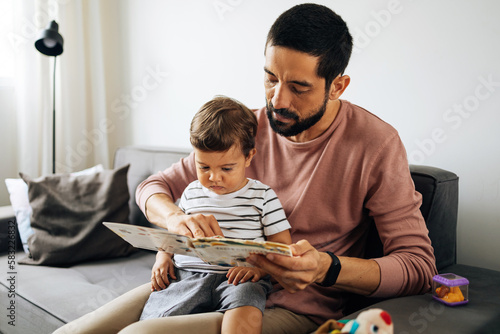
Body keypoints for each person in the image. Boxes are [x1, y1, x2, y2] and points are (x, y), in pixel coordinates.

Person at [55, 4, 437, 334]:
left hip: (288, 305)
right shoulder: (248, 129)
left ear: (337, 86)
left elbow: (419, 266)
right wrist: (175, 221)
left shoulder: (376, 144)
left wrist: (326, 267)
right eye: (270, 78)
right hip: (196, 279)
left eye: (298, 88)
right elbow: (153, 186)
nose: (277, 100)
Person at [139, 96, 292, 334]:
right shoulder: (190, 192)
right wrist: (163, 257)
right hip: (187, 275)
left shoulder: (263, 196)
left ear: (249, 156)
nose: (214, 178)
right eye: (204, 167)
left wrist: (261, 270)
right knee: (152, 320)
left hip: (239, 279)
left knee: (247, 307)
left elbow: (282, 246)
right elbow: (175, 234)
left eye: (226, 168)